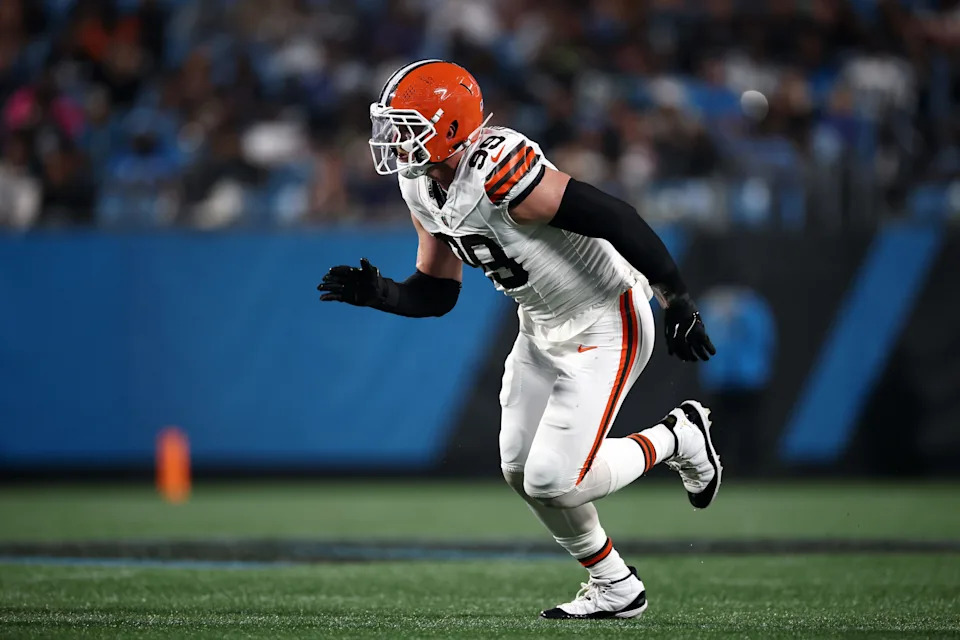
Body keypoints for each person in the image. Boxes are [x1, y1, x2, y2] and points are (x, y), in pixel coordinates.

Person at [318, 60, 721, 620]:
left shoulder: (499, 168)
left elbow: (617, 218)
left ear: (451, 126)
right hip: (541, 327)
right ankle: (615, 586)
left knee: (554, 477)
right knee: (518, 466)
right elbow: (437, 291)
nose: (395, 140)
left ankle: (678, 437)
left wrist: (676, 298)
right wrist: (381, 292)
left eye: (408, 126)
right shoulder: (422, 183)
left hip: (606, 318)